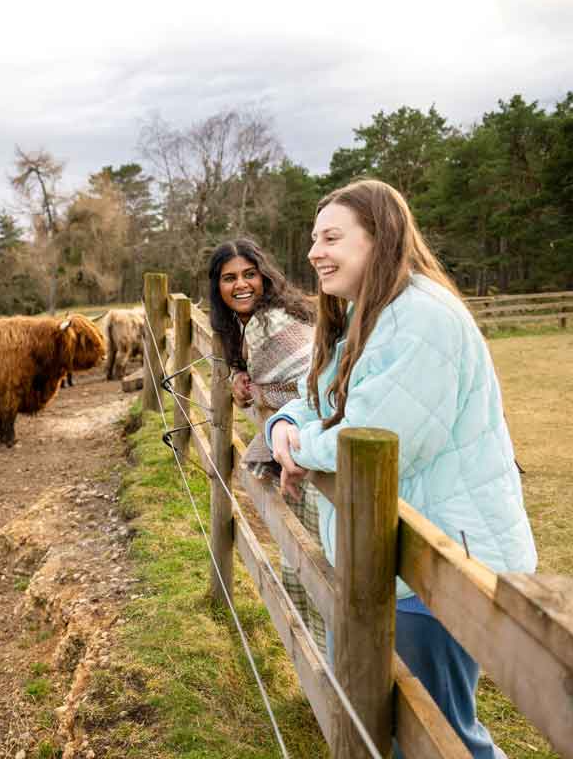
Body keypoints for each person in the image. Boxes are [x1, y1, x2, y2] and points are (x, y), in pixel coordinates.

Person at [267, 179, 537, 759]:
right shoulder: (376, 313)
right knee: (389, 721)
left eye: (332, 237)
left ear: (380, 238)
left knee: (438, 737)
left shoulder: (421, 319)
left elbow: (377, 436)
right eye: (314, 237)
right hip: (390, 561)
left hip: (438, 561)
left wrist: (299, 447)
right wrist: (283, 426)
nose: (314, 251)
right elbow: (318, 399)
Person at [207, 238, 326, 653]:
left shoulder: (270, 322)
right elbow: (262, 381)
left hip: (316, 440)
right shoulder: (244, 327)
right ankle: (321, 655)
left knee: (317, 552)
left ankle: (328, 656)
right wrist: (242, 381)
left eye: (249, 275)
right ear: (217, 287)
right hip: (301, 439)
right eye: (229, 278)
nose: (241, 285)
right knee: (306, 548)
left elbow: (300, 382)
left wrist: (254, 388)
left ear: (263, 276)